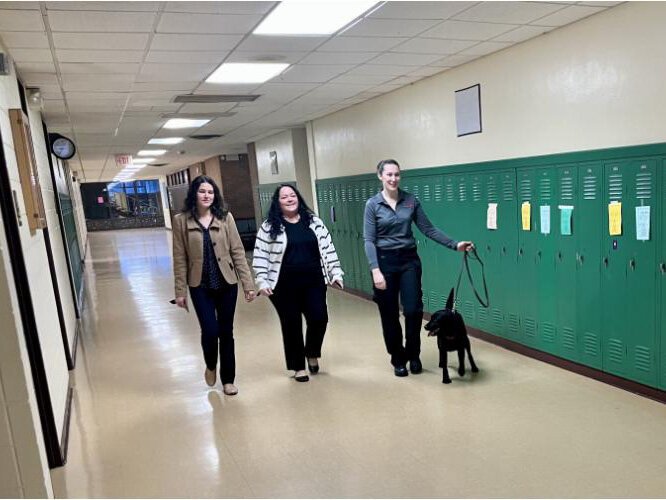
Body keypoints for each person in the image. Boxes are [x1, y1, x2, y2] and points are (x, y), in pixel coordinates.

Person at [363, 159, 474, 377]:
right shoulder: (372, 205)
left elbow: (428, 229)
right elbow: (368, 240)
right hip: (384, 262)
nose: (393, 179)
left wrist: (455, 244)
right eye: (389, 175)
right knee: (389, 314)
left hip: (408, 261)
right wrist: (375, 270)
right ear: (380, 176)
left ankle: (414, 354)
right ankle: (398, 358)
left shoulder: (410, 201)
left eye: (397, 174)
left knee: (413, 310)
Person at [172, 175, 256, 395]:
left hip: (227, 283)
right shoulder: (181, 220)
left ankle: (228, 379)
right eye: (202, 192)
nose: (207, 195)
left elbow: (237, 251)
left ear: (215, 195)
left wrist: (248, 284)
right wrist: (180, 292)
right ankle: (211, 364)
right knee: (210, 331)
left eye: (210, 192)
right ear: (194, 194)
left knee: (226, 332)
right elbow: (179, 257)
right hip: (200, 285)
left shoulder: (225, 218)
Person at [253, 184, 344, 382]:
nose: (289, 199)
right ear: (278, 202)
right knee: (291, 324)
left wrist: (335, 272)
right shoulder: (269, 227)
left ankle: (311, 352)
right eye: (284, 196)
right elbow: (261, 256)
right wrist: (262, 280)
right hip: (283, 284)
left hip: (313, 280)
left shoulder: (314, 222)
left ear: (298, 198)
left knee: (319, 319)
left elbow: (328, 248)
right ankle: (298, 367)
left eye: (292, 195)